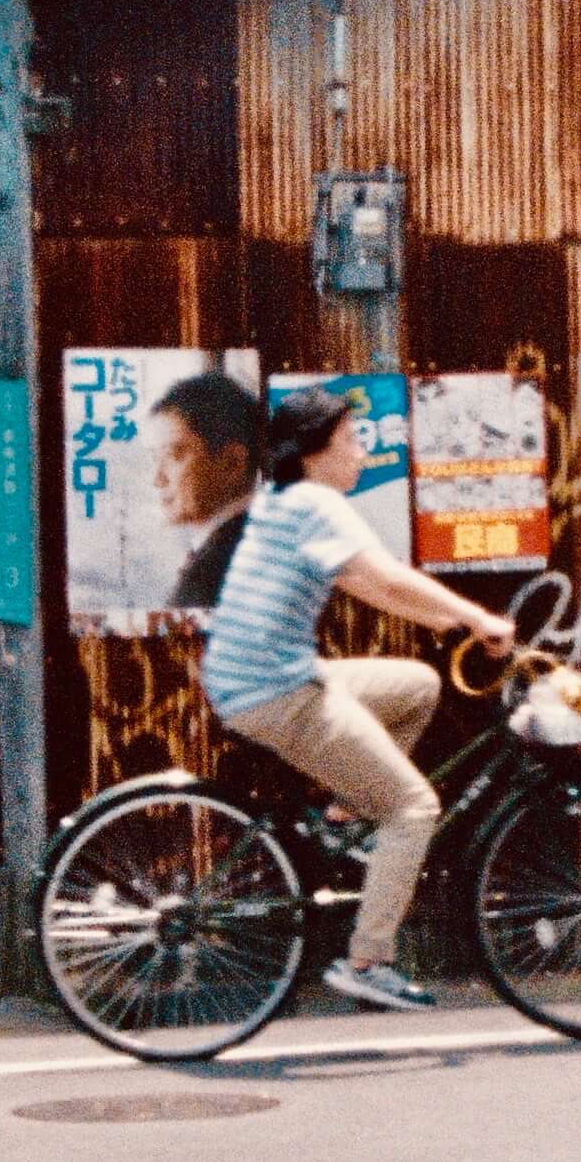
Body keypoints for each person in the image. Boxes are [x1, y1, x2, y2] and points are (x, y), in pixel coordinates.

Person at [202, 386, 516, 1012]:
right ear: (314, 451)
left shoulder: (285, 498)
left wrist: (446, 624)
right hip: (278, 691)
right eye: (350, 439)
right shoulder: (317, 503)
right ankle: (367, 961)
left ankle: (348, 816)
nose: (362, 450)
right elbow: (382, 575)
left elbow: (368, 585)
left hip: (259, 676)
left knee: (418, 685)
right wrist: (477, 617)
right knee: (415, 808)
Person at [142, 370, 262, 613]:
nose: (157, 479)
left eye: (175, 455)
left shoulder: (213, 575)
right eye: (155, 458)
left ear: (232, 463)